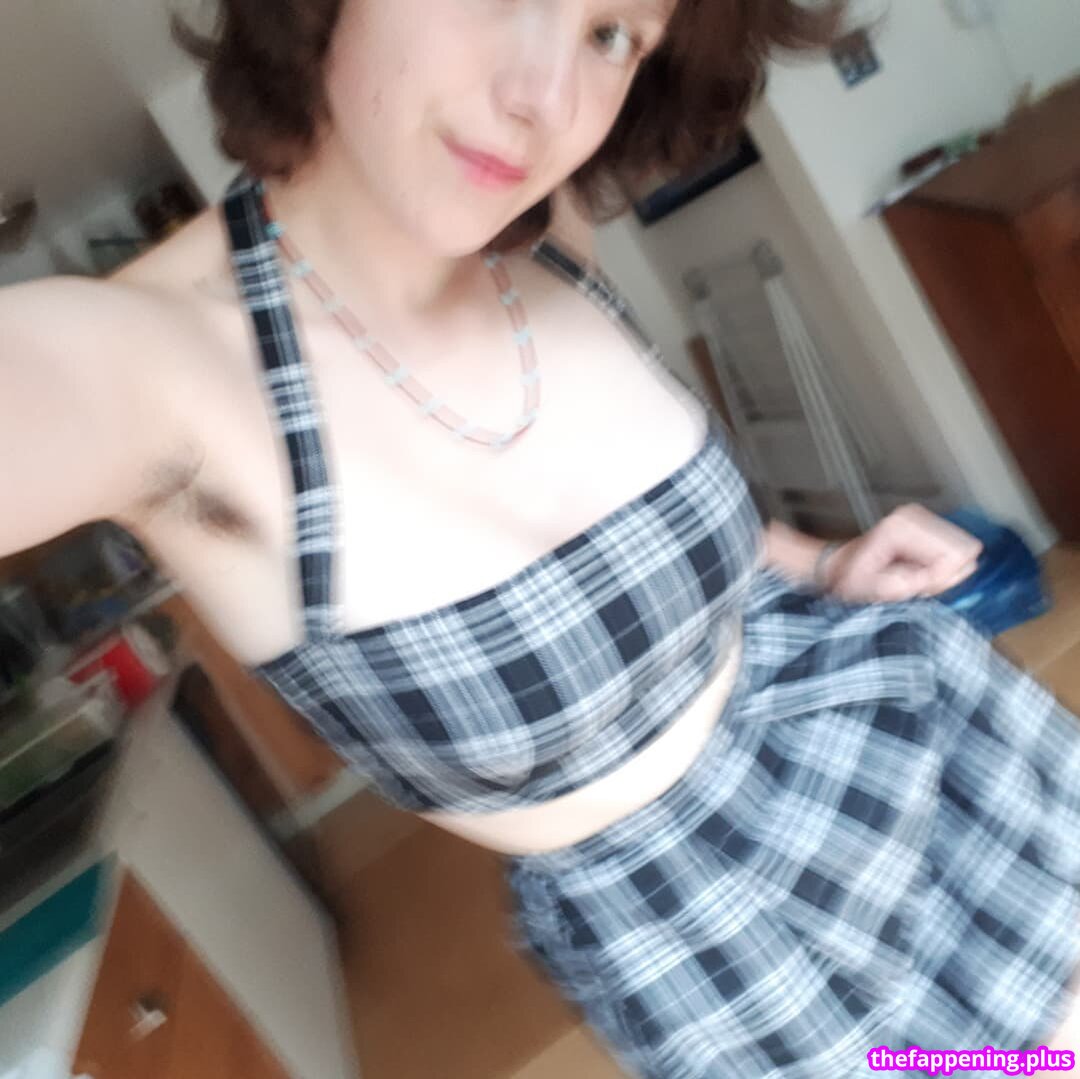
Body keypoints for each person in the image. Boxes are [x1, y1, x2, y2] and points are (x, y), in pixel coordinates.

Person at [3, 1, 1079, 1074]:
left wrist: (820, 562)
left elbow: (631, 543)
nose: (546, 99)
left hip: (927, 756)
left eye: (611, 34)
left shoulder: (551, 238)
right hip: (718, 948)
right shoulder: (126, 368)